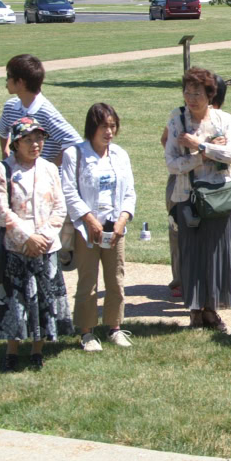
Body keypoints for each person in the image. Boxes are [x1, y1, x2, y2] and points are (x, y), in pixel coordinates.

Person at [0, 117, 73, 371]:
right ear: (15, 143)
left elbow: (60, 207)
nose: (35, 144)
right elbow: (0, 211)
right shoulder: (1, 170)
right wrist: (28, 238)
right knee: (15, 302)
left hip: (46, 248)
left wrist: (43, 237)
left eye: (39, 138)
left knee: (43, 301)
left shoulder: (49, 168)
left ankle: (38, 350)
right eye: (28, 139)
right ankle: (12, 352)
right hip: (17, 248)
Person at [164, 67, 231, 330]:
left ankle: (212, 310)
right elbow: (172, 164)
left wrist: (201, 146)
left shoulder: (224, 120)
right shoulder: (176, 120)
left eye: (197, 93)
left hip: (219, 196)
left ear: (210, 94)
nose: (191, 98)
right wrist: (200, 157)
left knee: (217, 253)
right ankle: (195, 311)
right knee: (192, 252)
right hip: (188, 196)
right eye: (187, 92)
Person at [62, 103, 137, 352]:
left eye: (113, 126)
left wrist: (122, 220)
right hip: (87, 229)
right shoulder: (76, 154)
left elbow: (129, 193)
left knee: (116, 278)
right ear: (92, 127)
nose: (109, 131)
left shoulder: (120, 155)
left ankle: (115, 327)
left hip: (115, 228)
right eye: (104, 126)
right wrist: (89, 220)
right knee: (88, 280)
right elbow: (69, 191)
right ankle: (86, 331)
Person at [0, 54, 82, 166]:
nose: (6, 80)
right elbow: (2, 130)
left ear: (20, 82)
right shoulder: (10, 107)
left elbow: (75, 143)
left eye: (9, 76)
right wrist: (6, 156)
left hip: (44, 182)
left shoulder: (46, 112)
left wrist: (48, 169)